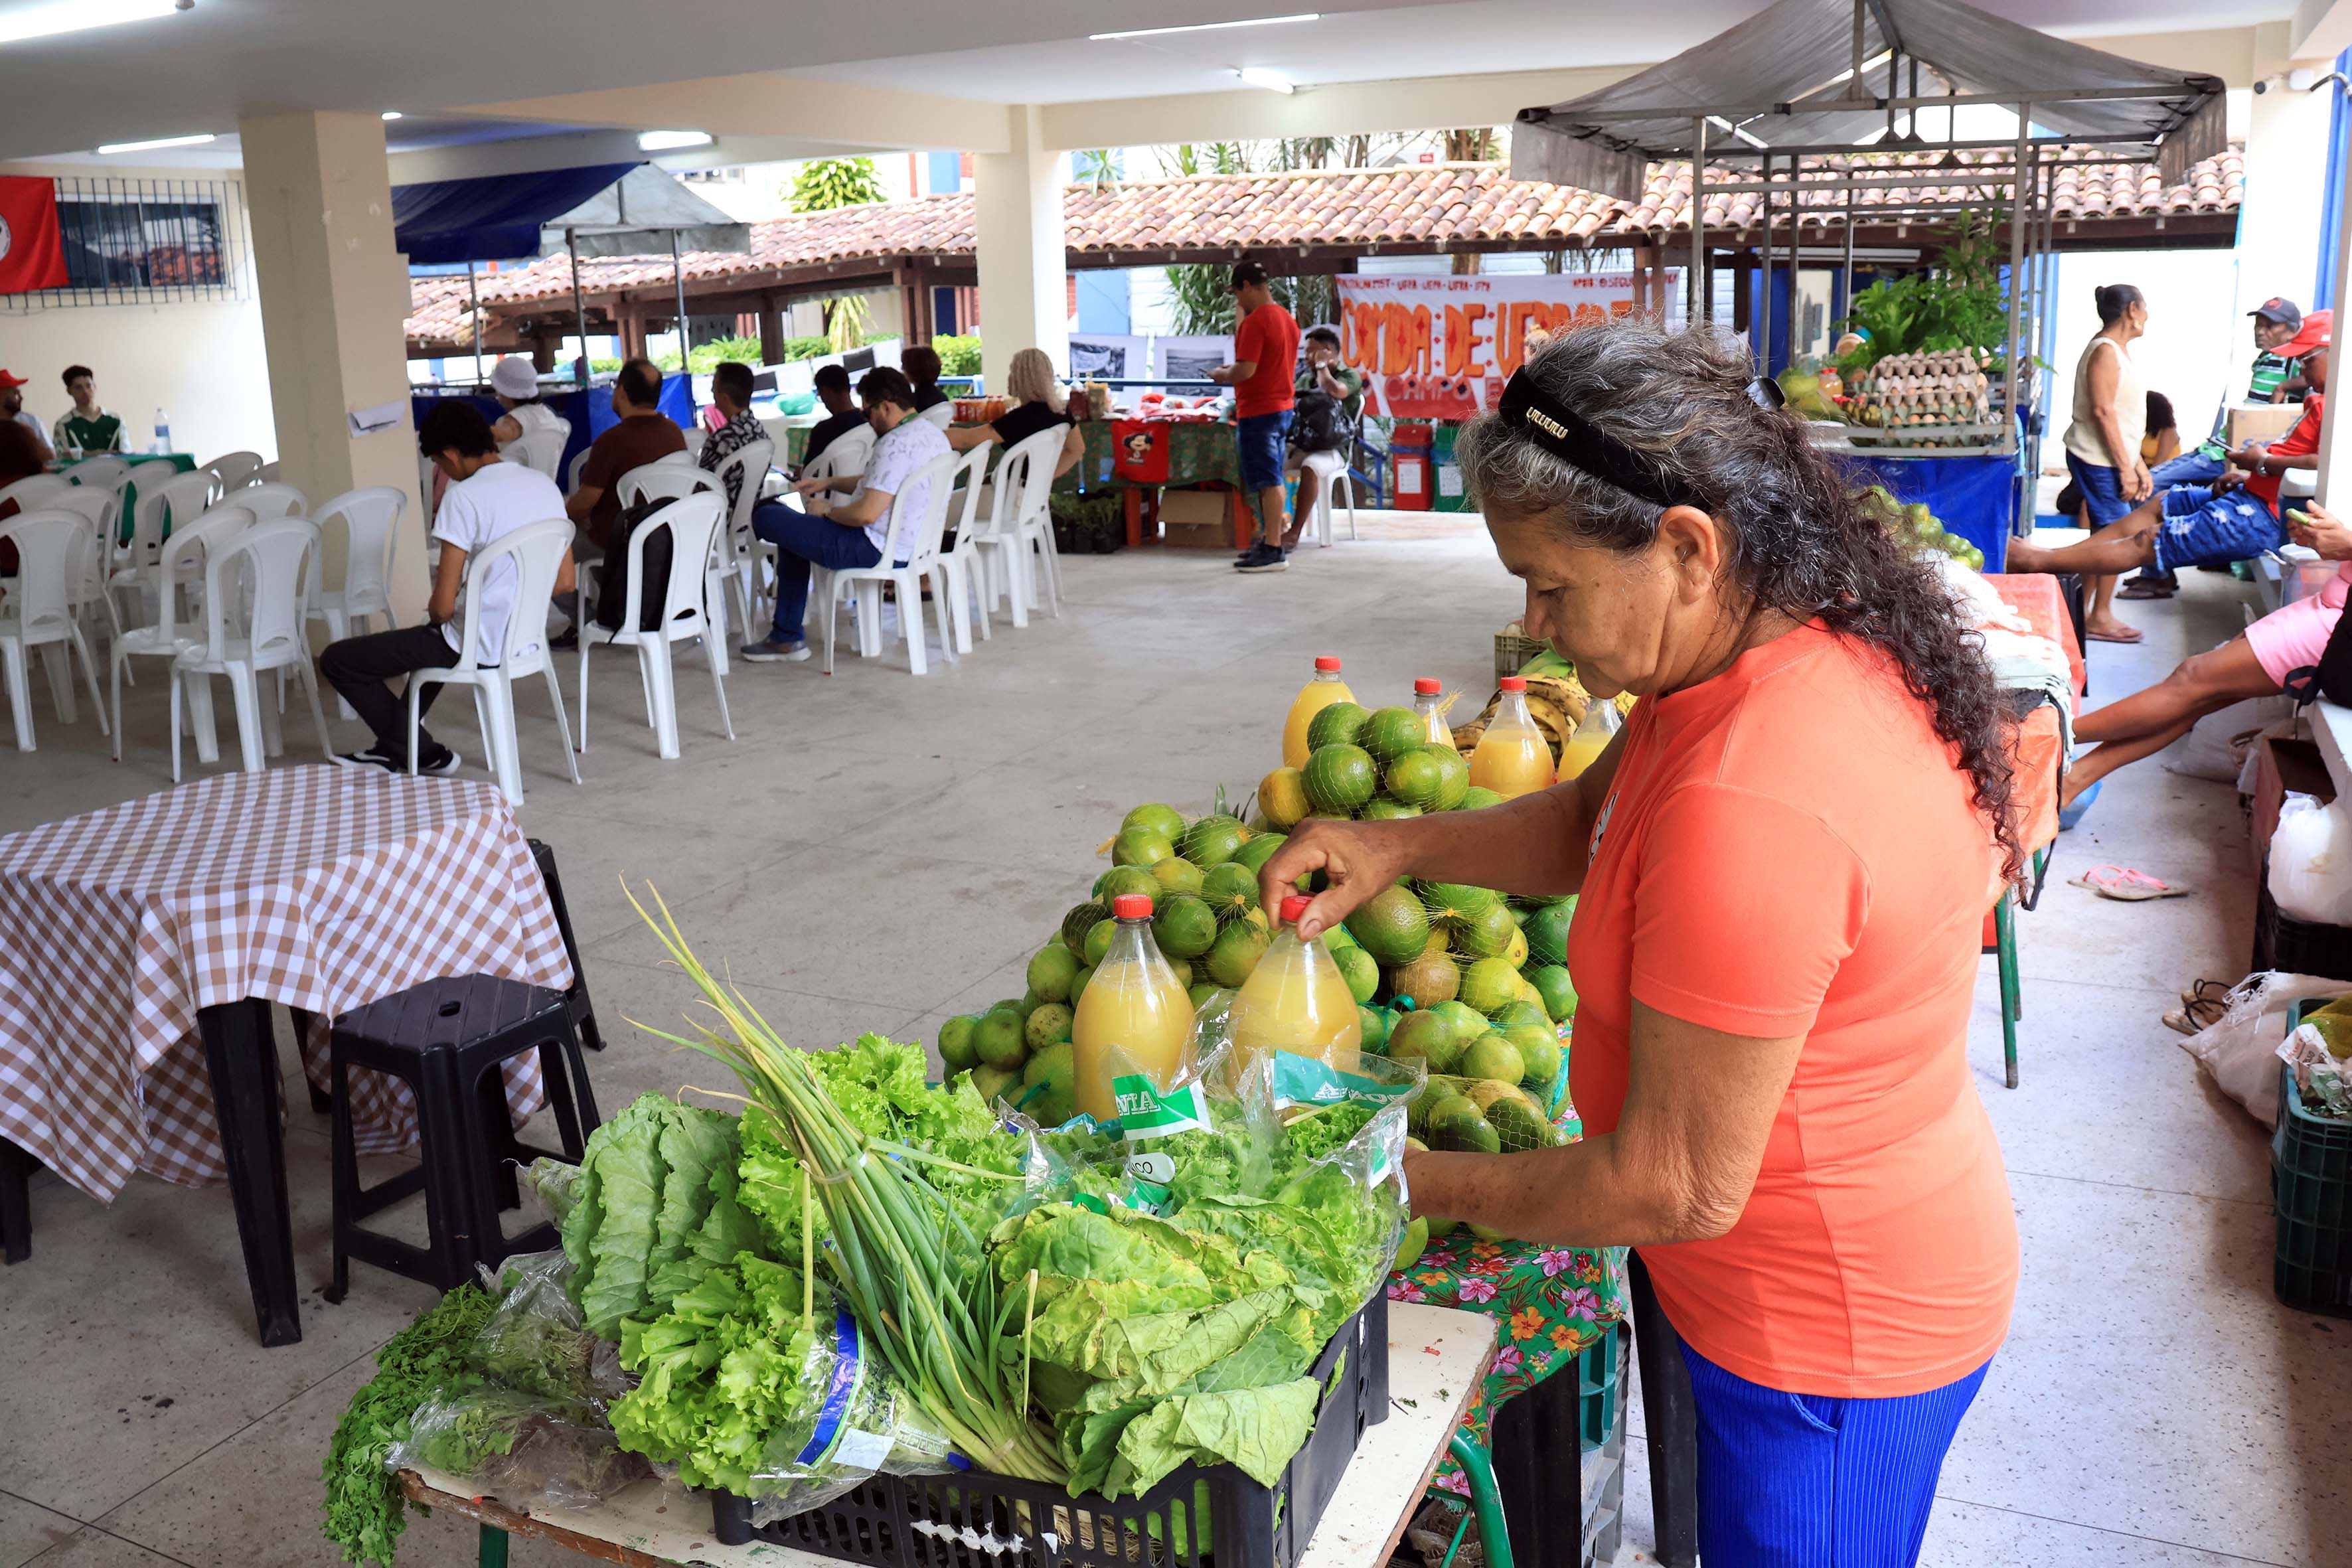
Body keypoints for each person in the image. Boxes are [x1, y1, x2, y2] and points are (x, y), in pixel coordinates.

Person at [1259, 321, 2018, 1566]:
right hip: (1778, 1291)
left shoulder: (1756, 801)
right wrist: (1393, 848)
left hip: (1827, 1340)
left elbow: (1670, 1185)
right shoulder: (1748, 655)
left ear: (1684, 543)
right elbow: (1585, 822)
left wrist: (1405, 1182)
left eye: (1550, 585)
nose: (1534, 621)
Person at [319, 401, 573, 775]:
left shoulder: (464, 497)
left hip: (475, 642)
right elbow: (565, 581)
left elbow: (441, 608)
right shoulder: (544, 485)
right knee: (430, 640)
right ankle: (397, 748)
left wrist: (465, 600)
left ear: (452, 454)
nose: (443, 471)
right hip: (526, 639)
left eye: (439, 463)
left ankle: (422, 752)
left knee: (339, 659)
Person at [2062, 499, 2352, 808]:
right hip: (2334, 605)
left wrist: (2347, 544)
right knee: (2198, 697)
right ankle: (2072, 779)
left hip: (2337, 628)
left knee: (2193, 679)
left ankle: (2046, 738)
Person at [2005, 344, 2329, 598]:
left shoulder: (2338, 409)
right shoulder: (2317, 402)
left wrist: (2261, 463)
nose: (2300, 367)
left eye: (2308, 358)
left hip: (2269, 514)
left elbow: (2320, 463)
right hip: (2253, 490)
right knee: (2160, 502)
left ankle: (2039, 562)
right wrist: (2252, 475)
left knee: (2149, 538)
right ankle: (2048, 556)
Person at [738, 366, 949, 663]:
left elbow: (865, 514)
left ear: (886, 406)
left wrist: (828, 510)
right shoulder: (931, 434)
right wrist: (829, 483)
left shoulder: (893, 444)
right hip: (912, 545)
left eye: (867, 413)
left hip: (872, 547)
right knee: (794, 528)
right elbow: (878, 484)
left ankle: (787, 636)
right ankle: (785, 634)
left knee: (768, 515)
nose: (867, 421)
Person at [2121, 299, 2328, 600]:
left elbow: (2306, 450)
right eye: (2259, 324)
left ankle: (2156, 573)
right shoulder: (2268, 359)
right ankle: (2151, 566)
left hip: (2251, 466)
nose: (2262, 331)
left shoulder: (2306, 374)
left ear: (2293, 331)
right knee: (2158, 495)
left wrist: (2264, 456)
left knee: (2149, 487)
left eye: (2271, 325)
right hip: (2231, 452)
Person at [2051, 285, 2150, 643]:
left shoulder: (2115, 350)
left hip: (2110, 457)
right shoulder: (2105, 351)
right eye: (2145, 308)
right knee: (2118, 537)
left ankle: (2087, 611)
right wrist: (2125, 468)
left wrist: (2137, 465)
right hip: (2098, 459)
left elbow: (2122, 417)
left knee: (2107, 535)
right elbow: (2103, 412)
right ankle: (2099, 616)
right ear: (2134, 309)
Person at [1207, 260, 1301, 574]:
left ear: (1247, 286)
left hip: (1260, 410)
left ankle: (1274, 547)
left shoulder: (1256, 322)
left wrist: (1221, 375)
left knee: (1268, 478)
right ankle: (1269, 540)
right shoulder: (1288, 320)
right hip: (1282, 406)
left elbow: (1246, 370)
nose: (1238, 301)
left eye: (1237, 292)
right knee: (1270, 477)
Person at [566, 356, 686, 555]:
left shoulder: (611, 441)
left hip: (616, 543)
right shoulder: (674, 432)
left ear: (621, 391)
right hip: (666, 535)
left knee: (554, 547)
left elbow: (583, 504)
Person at [1279, 325, 1364, 550]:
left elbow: (1335, 390)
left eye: (1312, 352)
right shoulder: (1306, 380)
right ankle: (1276, 527)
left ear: (1327, 351)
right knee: (1270, 462)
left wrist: (1321, 366)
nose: (1307, 357)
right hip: (1304, 444)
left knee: (1311, 467)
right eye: (1305, 352)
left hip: (1334, 450)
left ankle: (1294, 533)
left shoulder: (1349, 375)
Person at [944, 347, 1085, 479]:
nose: (1009, 377)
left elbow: (967, 439)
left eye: (1012, 372)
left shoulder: (1021, 418)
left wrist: (930, 434)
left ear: (1020, 378)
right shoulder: (1062, 412)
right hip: (1030, 496)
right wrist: (1042, 479)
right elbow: (1077, 450)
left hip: (1009, 496)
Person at [696, 360, 769, 515]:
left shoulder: (720, 440)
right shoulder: (760, 433)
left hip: (716, 518)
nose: (711, 391)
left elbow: (700, 487)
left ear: (724, 398)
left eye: (714, 387)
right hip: (749, 514)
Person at [487, 357, 564, 447]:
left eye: (498, 392)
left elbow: (501, 434)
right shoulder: (545, 413)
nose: (498, 398)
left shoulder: (520, 417)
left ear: (506, 394)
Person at [802, 363, 868, 469]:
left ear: (826, 392)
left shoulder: (822, 431)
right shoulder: (869, 421)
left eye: (820, 394)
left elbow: (810, 470)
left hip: (829, 484)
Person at [51, 365, 123, 455]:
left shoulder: (115, 420)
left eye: (88, 386)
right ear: (69, 391)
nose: (85, 391)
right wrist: (91, 454)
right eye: (78, 388)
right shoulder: (63, 425)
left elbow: (126, 454)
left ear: (95, 387)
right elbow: (62, 457)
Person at [0, 370, 53, 463]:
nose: (21, 398)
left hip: (32, 476)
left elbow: (50, 456)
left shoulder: (32, 421)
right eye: (15, 393)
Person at [901, 345, 950, 414]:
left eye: (904, 366)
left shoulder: (913, 402)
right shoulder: (942, 397)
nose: (902, 369)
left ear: (912, 370)